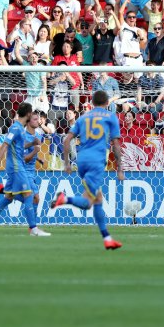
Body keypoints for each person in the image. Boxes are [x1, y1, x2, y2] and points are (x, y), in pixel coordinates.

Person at [51, 91, 124, 249]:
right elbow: (116, 144)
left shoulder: (83, 118)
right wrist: (120, 168)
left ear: (92, 102)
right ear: (107, 103)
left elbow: (67, 139)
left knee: (97, 200)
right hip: (96, 161)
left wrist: (67, 163)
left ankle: (107, 239)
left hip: (82, 160)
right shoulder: (111, 117)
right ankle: (64, 199)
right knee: (88, 202)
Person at [0, 103, 50, 237]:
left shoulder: (20, 129)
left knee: (8, 197)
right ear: (29, 114)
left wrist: (31, 143)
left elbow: (19, 145)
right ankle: (34, 229)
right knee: (29, 195)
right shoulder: (16, 127)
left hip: (16, 166)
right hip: (17, 166)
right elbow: (4, 146)